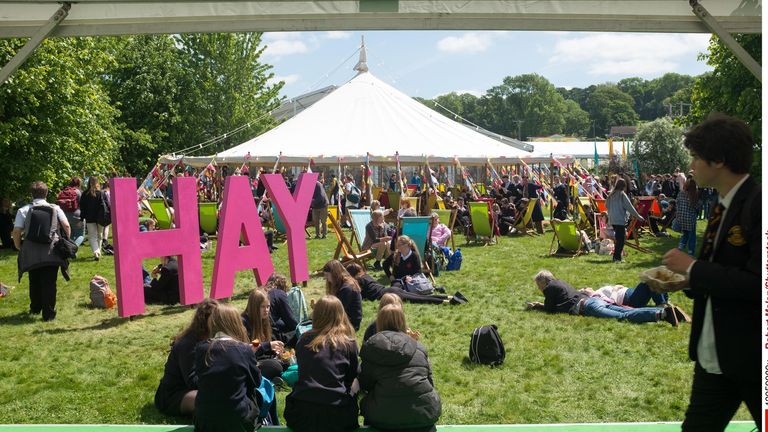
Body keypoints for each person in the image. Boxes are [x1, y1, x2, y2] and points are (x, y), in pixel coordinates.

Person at [661, 114, 761, 431]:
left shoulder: (759, 205)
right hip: (715, 357)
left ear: (718, 160)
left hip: (753, 360)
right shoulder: (724, 205)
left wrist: (692, 266)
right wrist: (690, 280)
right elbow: (724, 272)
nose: (691, 165)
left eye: (695, 156)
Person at [359, 303, 441, 432]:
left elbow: (364, 384)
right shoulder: (419, 347)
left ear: (379, 322)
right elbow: (429, 381)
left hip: (382, 417)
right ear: (403, 322)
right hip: (423, 414)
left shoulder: (372, 348)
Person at [284, 295, 359, 432]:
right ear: (341, 315)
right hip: (337, 414)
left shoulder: (304, 340)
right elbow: (351, 377)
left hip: (301, 413)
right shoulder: (349, 343)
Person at [194, 304, 266, 432]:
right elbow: (256, 381)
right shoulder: (243, 349)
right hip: (238, 421)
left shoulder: (201, 349)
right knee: (255, 394)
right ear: (235, 323)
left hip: (204, 421)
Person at [526, 270, 680, 326]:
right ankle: (667, 309)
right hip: (595, 301)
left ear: (543, 283)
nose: (539, 289)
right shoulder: (560, 283)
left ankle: (663, 314)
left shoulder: (549, 288)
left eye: (538, 286)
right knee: (625, 310)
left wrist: (537, 306)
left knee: (623, 315)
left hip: (589, 306)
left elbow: (550, 309)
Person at [13, 181, 71, 321]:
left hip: (31, 251)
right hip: (51, 250)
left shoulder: (24, 210)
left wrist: (18, 246)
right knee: (50, 282)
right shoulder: (55, 208)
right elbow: (66, 226)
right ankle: (49, 314)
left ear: (31, 194)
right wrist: (65, 241)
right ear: (46, 193)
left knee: (34, 279)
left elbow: (17, 231)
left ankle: (35, 308)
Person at [155, 298, 219, 417]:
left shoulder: (213, 338)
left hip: (196, 387)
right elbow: (192, 381)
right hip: (173, 394)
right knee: (208, 400)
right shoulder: (188, 344)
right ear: (205, 320)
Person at [345, 263, 454, 307]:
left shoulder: (358, 281)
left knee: (420, 299)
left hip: (388, 294)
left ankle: (448, 301)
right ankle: (449, 297)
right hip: (390, 289)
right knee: (421, 297)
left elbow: (359, 296)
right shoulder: (366, 276)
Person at [241, 288, 287, 381]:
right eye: (262, 307)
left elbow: (272, 338)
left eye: (268, 306)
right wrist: (268, 345)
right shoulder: (244, 322)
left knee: (286, 362)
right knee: (275, 367)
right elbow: (249, 349)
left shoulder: (266, 318)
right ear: (254, 307)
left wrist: (275, 350)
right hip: (253, 362)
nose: (266, 310)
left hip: (265, 358)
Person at [605, 178, 644, 263]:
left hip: (613, 220)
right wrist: (638, 216)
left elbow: (606, 206)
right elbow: (630, 207)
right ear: (623, 186)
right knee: (621, 240)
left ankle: (616, 257)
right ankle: (617, 258)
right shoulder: (622, 195)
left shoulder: (611, 194)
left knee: (619, 239)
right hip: (619, 220)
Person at [322, 260, 363, 331]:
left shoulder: (347, 288)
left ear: (335, 274)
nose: (326, 278)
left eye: (327, 275)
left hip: (350, 323)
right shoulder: (340, 283)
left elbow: (337, 310)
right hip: (343, 317)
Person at [262, 273, 298, 342]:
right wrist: (299, 328)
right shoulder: (279, 294)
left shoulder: (261, 292)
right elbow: (290, 319)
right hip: (269, 333)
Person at [79, 176, 109, 261]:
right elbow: (106, 206)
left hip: (89, 218)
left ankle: (96, 252)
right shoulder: (102, 193)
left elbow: (82, 208)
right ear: (98, 183)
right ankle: (98, 252)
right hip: (101, 217)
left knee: (92, 236)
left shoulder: (85, 194)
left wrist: (81, 219)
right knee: (100, 235)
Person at [675, 177, 699, 256]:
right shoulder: (694, 195)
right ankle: (691, 252)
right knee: (692, 236)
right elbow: (696, 207)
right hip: (690, 218)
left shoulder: (681, 193)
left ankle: (680, 248)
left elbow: (677, 203)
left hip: (681, 217)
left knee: (685, 233)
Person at [58, 177, 84, 246]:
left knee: (70, 235)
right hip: (77, 217)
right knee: (80, 235)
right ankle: (72, 249)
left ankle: (70, 250)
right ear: (79, 183)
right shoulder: (79, 192)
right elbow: (82, 205)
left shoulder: (64, 191)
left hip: (64, 216)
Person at [310, 175, 329, 239]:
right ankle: (317, 235)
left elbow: (321, 196)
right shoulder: (309, 185)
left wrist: (311, 202)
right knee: (316, 221)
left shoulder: (318, 185)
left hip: (322, 205)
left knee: (323, 221)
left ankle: (324, 235)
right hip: (315, 206)